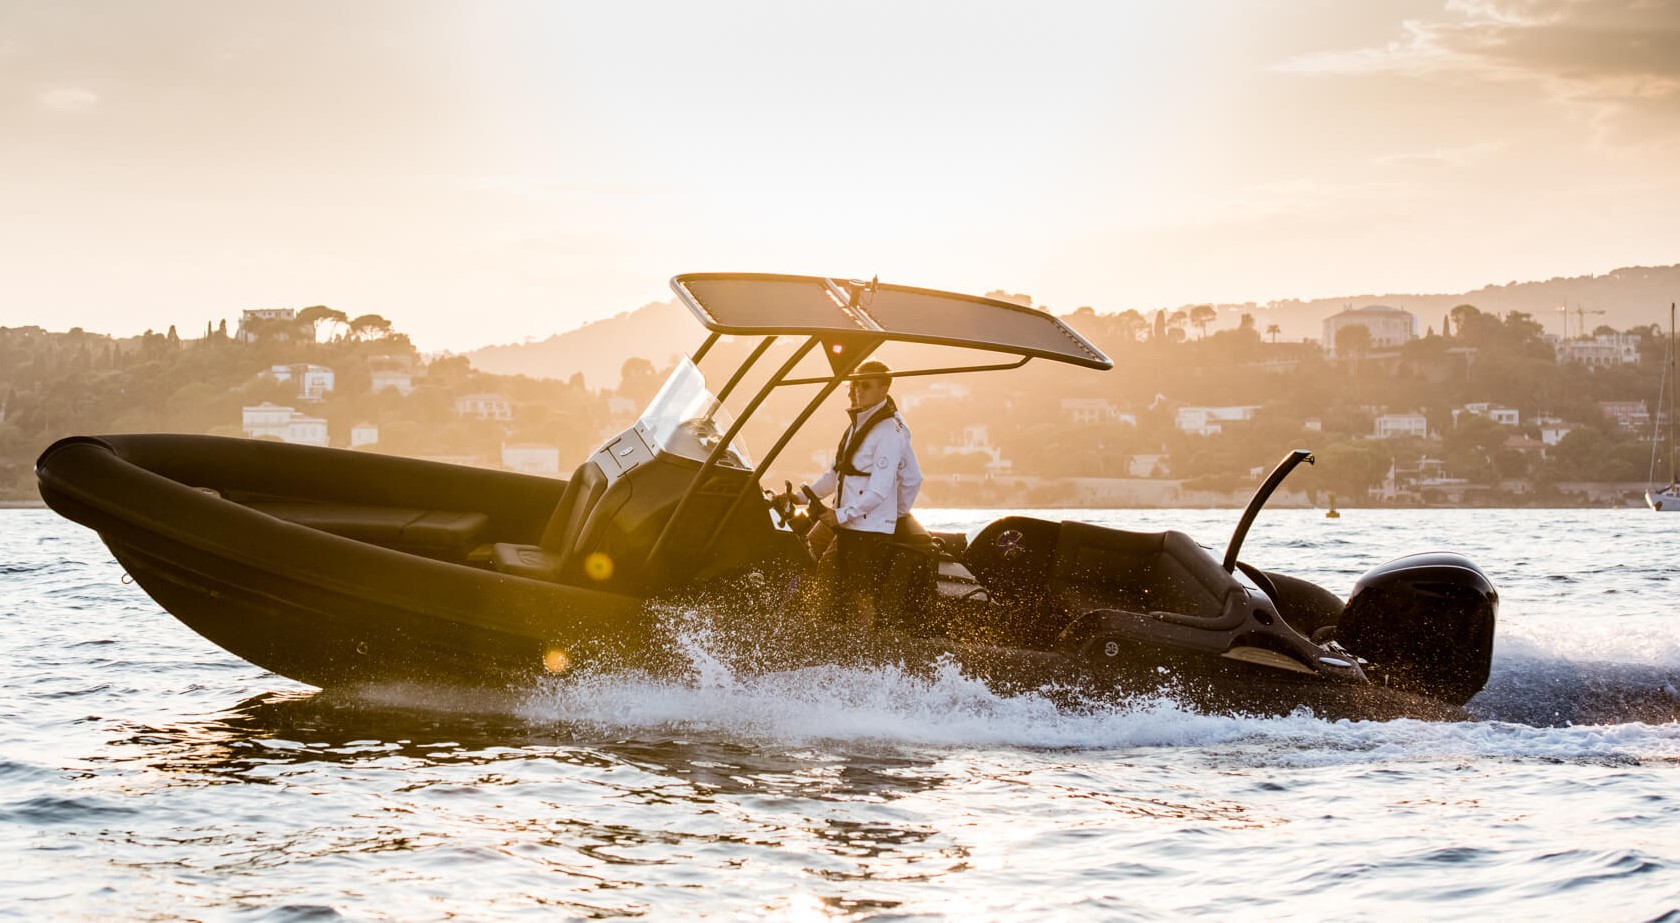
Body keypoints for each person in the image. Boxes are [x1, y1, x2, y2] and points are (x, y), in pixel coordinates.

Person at [806, 360, 923, 625]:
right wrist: (800, 497)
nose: (858, 390)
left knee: (860, 591)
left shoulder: (889, 431)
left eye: (866, 385)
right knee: (809, 550)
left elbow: (882, 488)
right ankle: (813, 624)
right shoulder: (858, 424)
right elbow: (837, 473)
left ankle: (854, 646)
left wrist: (894, 515)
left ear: (884, 388)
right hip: (845, 516)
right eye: (856, 384)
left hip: (862, 524)